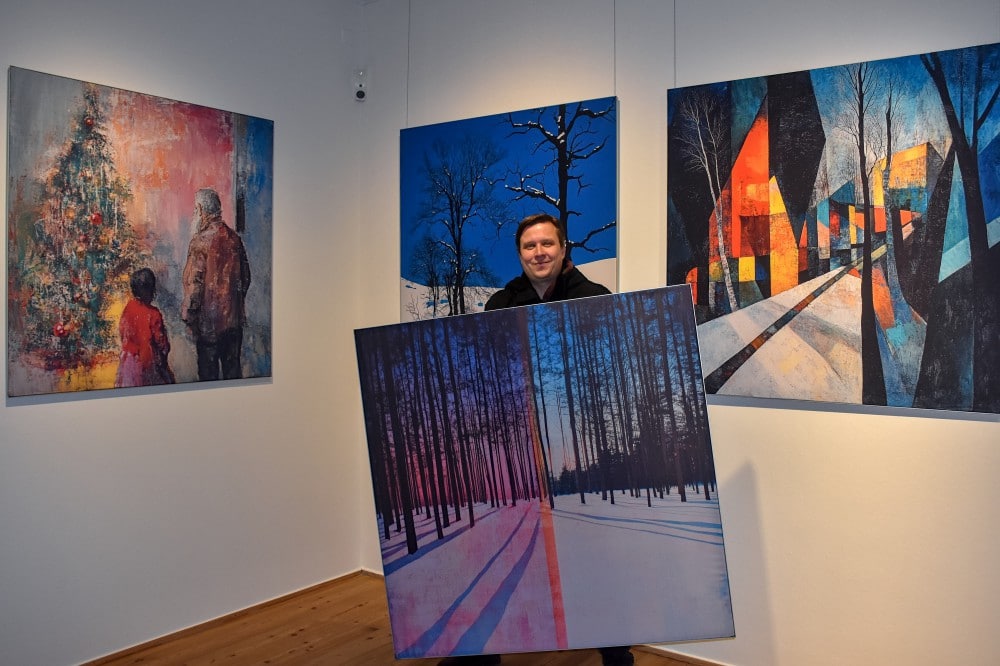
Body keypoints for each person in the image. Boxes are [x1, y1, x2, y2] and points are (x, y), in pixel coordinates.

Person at [441, 214, 632, 666]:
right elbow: (486, 372)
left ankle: (616, 649)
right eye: (530, 246)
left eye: (547, 243)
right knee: (500, 544)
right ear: (520, 253)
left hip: (576, 441)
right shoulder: (501, 303)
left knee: (590, 549)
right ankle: (479, 651)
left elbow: (610, 370)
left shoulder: (595, 299)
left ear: (564, 248)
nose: (539, 252)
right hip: (518, 442)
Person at [181, 187, 251, 381]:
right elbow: (246, 278)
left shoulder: (200, 242)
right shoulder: (234, 240)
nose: (194, 214)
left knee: (208, 381)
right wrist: (235, 303)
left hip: (208, 327)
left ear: (202, 211)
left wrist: (189, 316)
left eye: (196, 210)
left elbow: (195, 287)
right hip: (233, 324)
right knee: (232, 376)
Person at [115, 267, 175, 387]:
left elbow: (123, 331)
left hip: (128, 363)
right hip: (147, 363)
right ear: (150, 290)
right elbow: (161, 341)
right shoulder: (153, 314)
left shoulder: (129, 308)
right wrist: (164, 354)